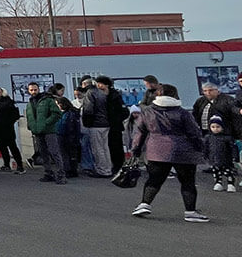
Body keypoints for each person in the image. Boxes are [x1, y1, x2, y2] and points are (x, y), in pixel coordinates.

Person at [130, 83, 209, 222]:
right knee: (187, 182)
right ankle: (190, 212)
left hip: (157, 150)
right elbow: (194, 133)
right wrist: (200, 148)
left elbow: (140, 133)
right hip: (183, 151)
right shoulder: (183, 112)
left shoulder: (147, 111)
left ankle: (144, 204)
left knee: (154, 179)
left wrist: (135, 150)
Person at [25, 82, 65, 184]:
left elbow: (57, 114)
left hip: (49, 131)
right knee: (43, 153)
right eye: (31, 90)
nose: (33, 92)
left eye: (35, 89)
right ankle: (48, 173)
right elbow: (30, 116)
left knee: (54, 152)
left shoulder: (48, 100)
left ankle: (61, 175)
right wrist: (31, 126)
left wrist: (46, 123)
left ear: (39, 89)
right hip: (37, 131)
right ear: (28, 91)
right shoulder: (29, 103)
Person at [79, 77, 112, 177]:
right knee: (105, 148)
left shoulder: (90, 93)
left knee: (98, 149)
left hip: (95, 124)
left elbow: (88, 110)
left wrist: (87, 122)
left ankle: (102, 170)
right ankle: (108, 168)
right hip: (105, 123)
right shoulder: (102, 93)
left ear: (84, 84)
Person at [96, 76, 129, 173]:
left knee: (116, 146)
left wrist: (116, 120)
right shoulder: (99, 95)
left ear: (106, 85)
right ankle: (111, 165)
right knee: (107, 146)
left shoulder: (114, 96)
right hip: (105, 124)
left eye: (100, 84)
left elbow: (123, 111)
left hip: (114, 126)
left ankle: (118, 166)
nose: (98, 86)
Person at [0, 87, 23, 173]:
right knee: (2, 148)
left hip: (8, 130)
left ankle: (20, 165)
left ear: (2, 92)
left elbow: (15, 115)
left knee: (13, 147)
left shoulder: (8, 102)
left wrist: (8, 123)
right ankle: (6, 165)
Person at [206, 115, 237, 192]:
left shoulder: (227, 138)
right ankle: (218, 183)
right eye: (213, 127)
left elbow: (232, 148)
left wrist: (234, 156)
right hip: (213, 159)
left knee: (228, 172)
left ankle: (230, 184)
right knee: (216, 172)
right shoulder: (208, 137)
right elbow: (206, 148)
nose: (215, 129)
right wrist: (205, 155)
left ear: (222, 127)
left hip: (226, 159)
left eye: (218, 127)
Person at [55, 97, 81, 178]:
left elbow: (70, 126)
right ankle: (68, 169)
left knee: (68, 153)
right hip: (61, 134)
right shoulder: (62, 113)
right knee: (65, 153)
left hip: (68, 135)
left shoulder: (70, 114)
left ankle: (70, 170)